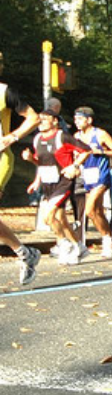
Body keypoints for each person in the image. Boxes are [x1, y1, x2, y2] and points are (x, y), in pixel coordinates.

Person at [23, 109, 90, 266]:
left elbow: (86, 150)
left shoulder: (62, 137)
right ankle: (78, 246)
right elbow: (41, 163)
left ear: (55, 121)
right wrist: (36, 180)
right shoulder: (37, 139)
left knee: (48, 216)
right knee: (60, 219)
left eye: (45, 119)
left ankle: (63, 243)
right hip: (47, 183)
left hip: (63, 181)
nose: (41, 122)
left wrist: (74, 165)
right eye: (39, 119)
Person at [0, 57, 41, 284]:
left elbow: (33, 118)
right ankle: (25, 253)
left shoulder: (5, 92)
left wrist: (12, 137)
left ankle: (25, 253)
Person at [73, 107, 112, 257]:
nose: (77, 122)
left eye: (80, 119)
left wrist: (101, 152)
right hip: (87, 176)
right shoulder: (77, 136)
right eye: (75, 119)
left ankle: (107, 240)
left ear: (89, 120)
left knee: (89, 210)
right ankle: (110, 240)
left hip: (101, 175)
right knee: (97, 212)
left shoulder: (100, 134)